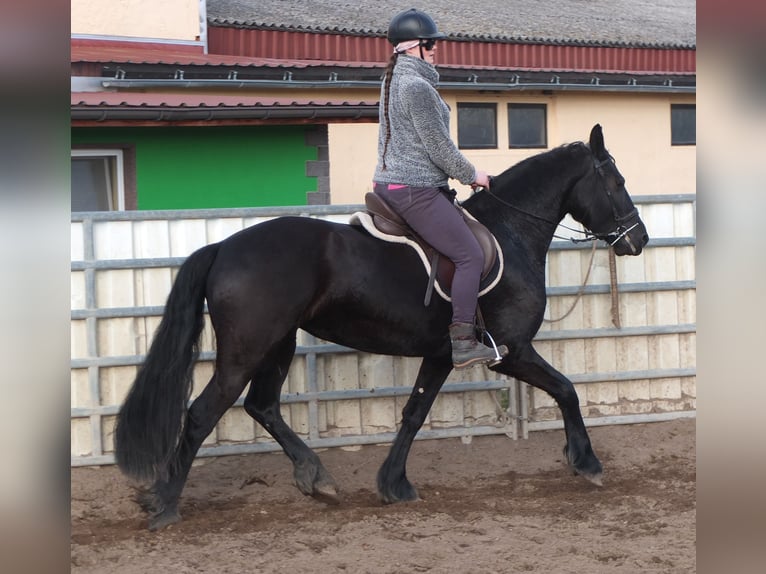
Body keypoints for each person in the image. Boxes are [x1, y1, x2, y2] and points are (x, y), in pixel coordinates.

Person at [372, 8, 508, 369]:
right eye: (431, 43)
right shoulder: (416, 87)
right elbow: (439, 147)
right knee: (470, 256)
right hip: (414, 189)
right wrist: (472, 175)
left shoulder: (392, 80)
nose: (436, 49)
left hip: (390, 184)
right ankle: (463, 341)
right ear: (414, 46)